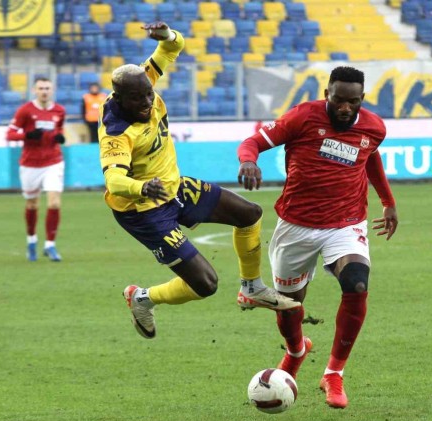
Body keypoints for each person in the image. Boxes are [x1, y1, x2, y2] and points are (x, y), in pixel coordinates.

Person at [99, 21, 299, 340]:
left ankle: (252, 288)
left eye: (149, 94)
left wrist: (166, 35)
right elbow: (114, 180)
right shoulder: (117, 134)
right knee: (206, 284)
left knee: (249, 214)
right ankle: (142, 298)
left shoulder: (142, 82)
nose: (147, 102)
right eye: (138, 99)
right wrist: (141, 187)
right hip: (144, 212)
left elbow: (172, 48)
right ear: (121, 100)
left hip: (173, 186)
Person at [237, 66, 398, 409]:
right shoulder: (302, 117)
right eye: (338, 99)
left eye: (352, 102)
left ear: (361, 100)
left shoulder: (373, 127)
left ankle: (333, 373)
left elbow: (370, 156)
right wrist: (249, 161)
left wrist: (388, 202)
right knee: (290, 306)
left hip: (346, 223)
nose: (344, 107)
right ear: (327, 94)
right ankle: (297, 350)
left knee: (356, 284)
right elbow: (252, 141)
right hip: (296, 225)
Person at [6, 76, 67, 262]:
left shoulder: (59, 110)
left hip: (53, 161)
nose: (44, 91)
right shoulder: (25, 111)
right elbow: (9, 134)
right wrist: (27, 135)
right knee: (32, 204)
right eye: (41, 88)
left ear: (52, 89)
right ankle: (31, 240)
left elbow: (59, 129)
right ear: (34, 90)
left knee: (54, 203)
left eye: (47, 88)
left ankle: (50, 245)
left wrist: (59, 137)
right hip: (30, 164)